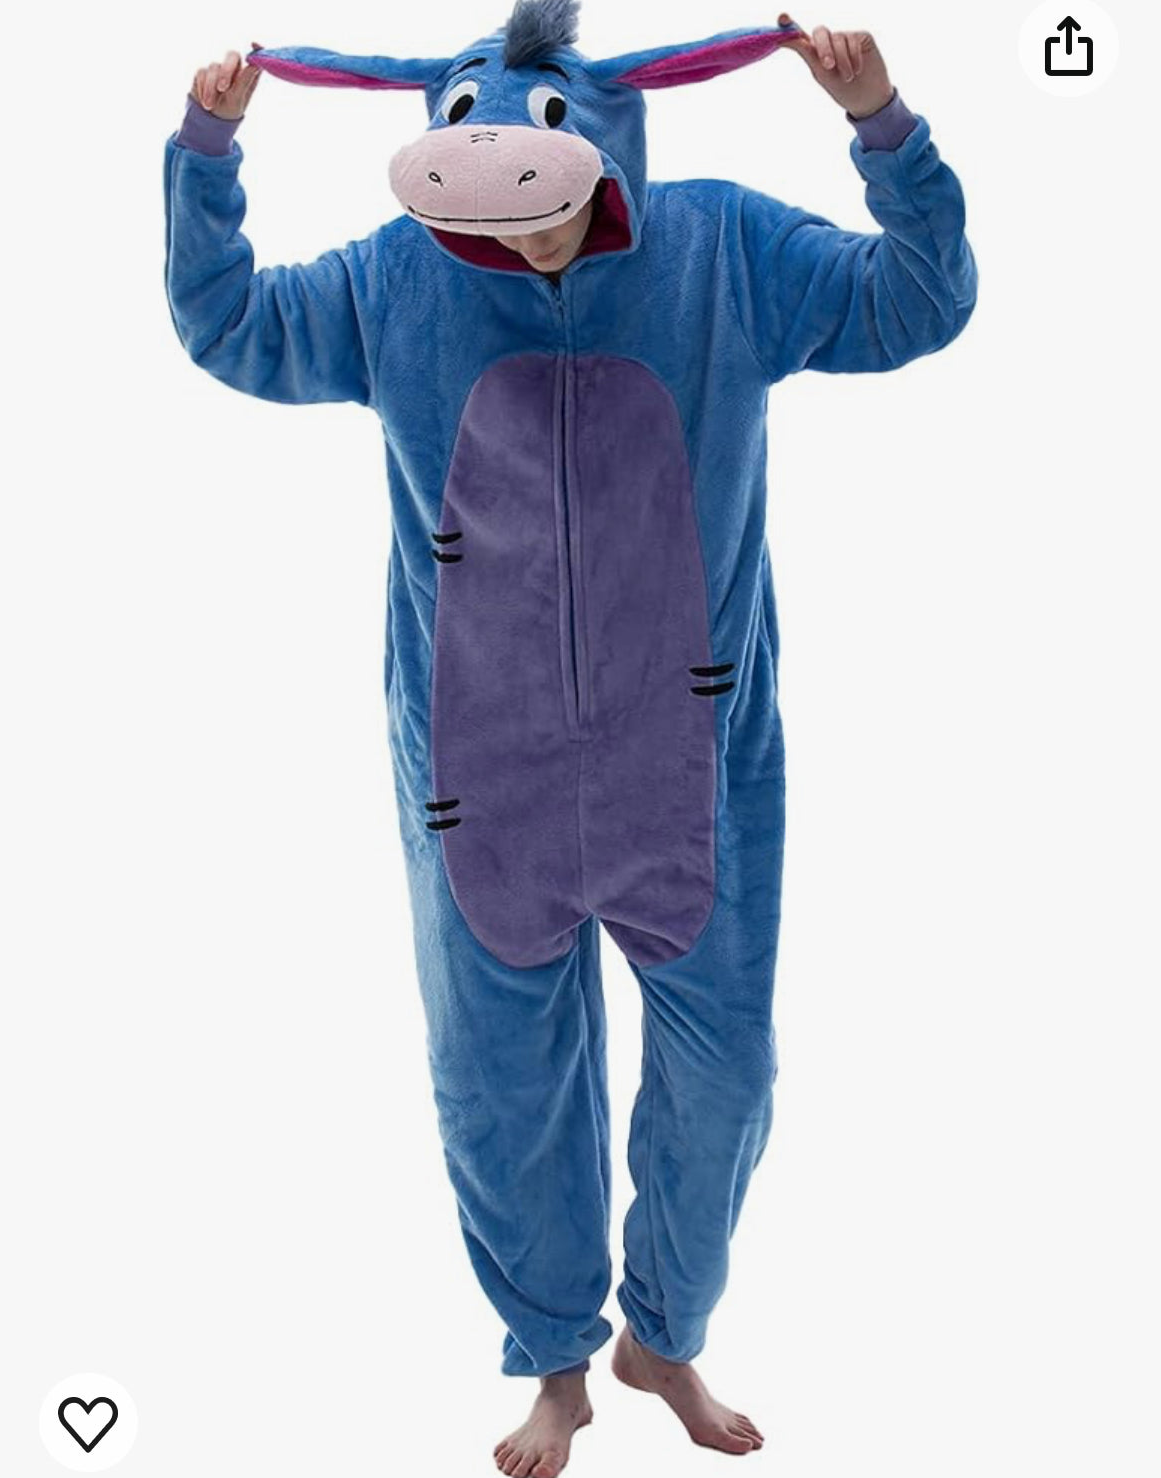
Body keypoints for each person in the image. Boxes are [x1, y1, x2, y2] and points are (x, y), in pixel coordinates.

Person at [163, 6, 977, 1475]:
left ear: (605, 154)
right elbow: (229, 326)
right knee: (500, 1094)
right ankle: (556, 1365)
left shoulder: (722, 249)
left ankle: (664, 1335)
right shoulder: (398, 279)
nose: (516, 238)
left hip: (689, 769)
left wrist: (882, 127)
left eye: (542, 202)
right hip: (486, 781)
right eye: (482, 213)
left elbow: (922, 299)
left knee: (728, 1076)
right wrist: (206, 155)